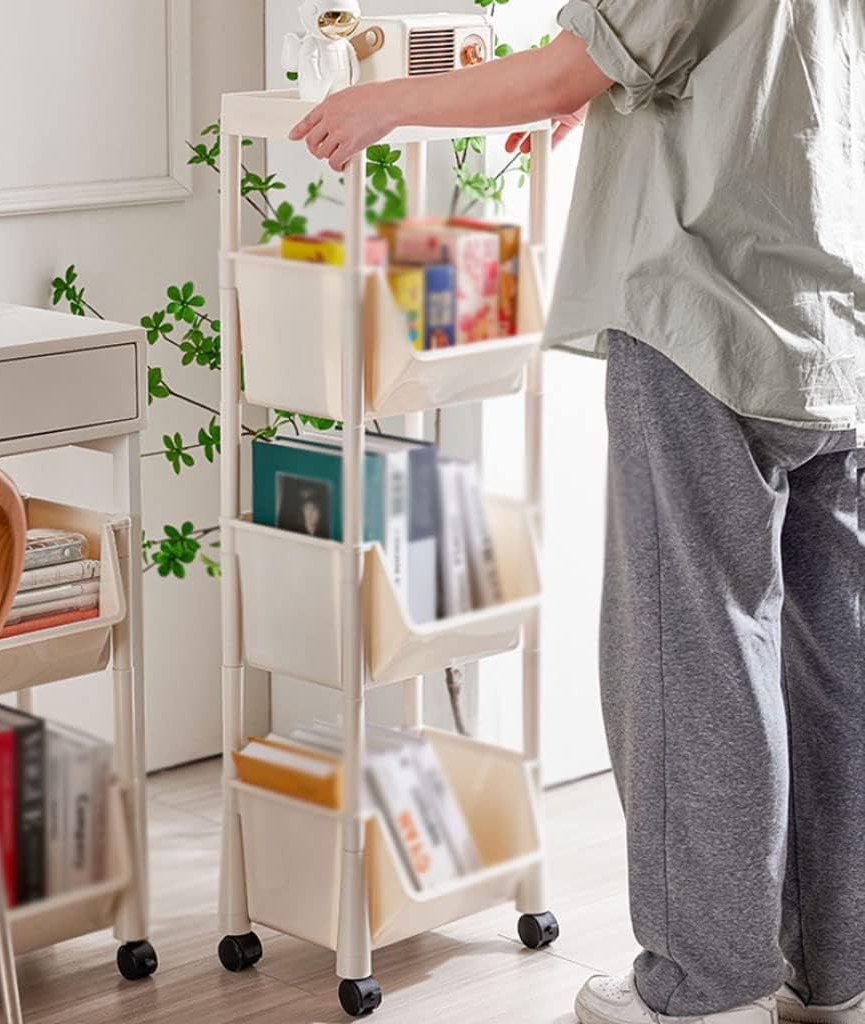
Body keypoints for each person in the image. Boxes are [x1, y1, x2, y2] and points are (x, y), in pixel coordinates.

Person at [291, 3, 864, 1023]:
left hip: (704, 310)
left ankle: (703, 987)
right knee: (835, 666)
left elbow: (577, 62)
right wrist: (596, 96)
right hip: (834, 311)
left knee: (694, 659)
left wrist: (384, 101)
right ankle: (836, 975)